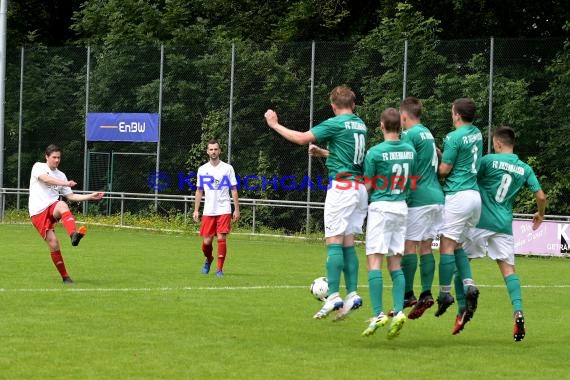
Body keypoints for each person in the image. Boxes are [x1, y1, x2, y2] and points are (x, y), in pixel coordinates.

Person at [264, 85, 368, 320]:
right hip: (359, 188)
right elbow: (348, 156)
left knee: (333, 241)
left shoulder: (335, 123)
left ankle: (332, 296)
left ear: (333, 106)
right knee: (349, 242)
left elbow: (301, 138)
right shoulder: (360, 125)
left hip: (341, 187)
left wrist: (274, 124)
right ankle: (352, 294)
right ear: (353, 105)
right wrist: (324, 153)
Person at [459, 126, 546, 341]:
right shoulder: (524, 168)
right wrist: (540, 215)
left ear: (497, 143)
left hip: (480, 221)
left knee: (459, 257)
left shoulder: (488, 161)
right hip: (504, 225)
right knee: (509, 271)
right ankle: (518, 312)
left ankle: (467, 299)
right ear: (512, 143)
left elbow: (467, 177)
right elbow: (541, 196)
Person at [361, 107, 416, 339]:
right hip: (401, 208)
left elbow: (368, 185)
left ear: (382, 125)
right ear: (400, 126)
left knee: (374, 260)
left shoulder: (375, 152)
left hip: (382, 208)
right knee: (395, 263)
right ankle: (400, 311)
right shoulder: (410, 150)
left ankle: (378, 314)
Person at [436, 98, 482, 328]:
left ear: (456, 115)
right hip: (474, 196)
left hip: (458, 195)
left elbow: (445, 170)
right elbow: (461, 159)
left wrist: (435, 162)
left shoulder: (453, 137)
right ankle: (469, 284)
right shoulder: (477, 133)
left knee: (446, 245)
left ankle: (445, 293)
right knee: (458, 245)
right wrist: (444, 154)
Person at [29, 144, 105, 284]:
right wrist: (66, 183)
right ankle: (65, 277)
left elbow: (71, 196)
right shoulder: (38, 166)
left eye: (59, 157)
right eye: (54, 157)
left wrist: (90, 196)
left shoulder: (61, 174)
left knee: (63, 204)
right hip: (37, 211)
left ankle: (73, 235)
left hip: (52, 207)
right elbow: (46, 179)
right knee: (54, 244)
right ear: (47, 157)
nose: (57, 160)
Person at [398, 96, 444, 319]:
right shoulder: (428, 133)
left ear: (404, 116)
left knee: (409, 246)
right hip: (437, 196)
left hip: (419, 198)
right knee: (426, 247)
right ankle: (426, 293)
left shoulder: (410, 134)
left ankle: (408, 294)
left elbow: (404, 161)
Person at [193, 139, 240, 278]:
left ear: (219, 151)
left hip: (224, 209)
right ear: (207, 151)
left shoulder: (227, 168)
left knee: (221, 238)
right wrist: (196, 210)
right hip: (208, 210)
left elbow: (234, 190)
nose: (213, 152)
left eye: (216, 149)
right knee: (206, 243)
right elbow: (199, 191)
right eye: (211, 149)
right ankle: (209, 259)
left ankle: (219, 269)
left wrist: (236, 209)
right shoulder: (202, 169)